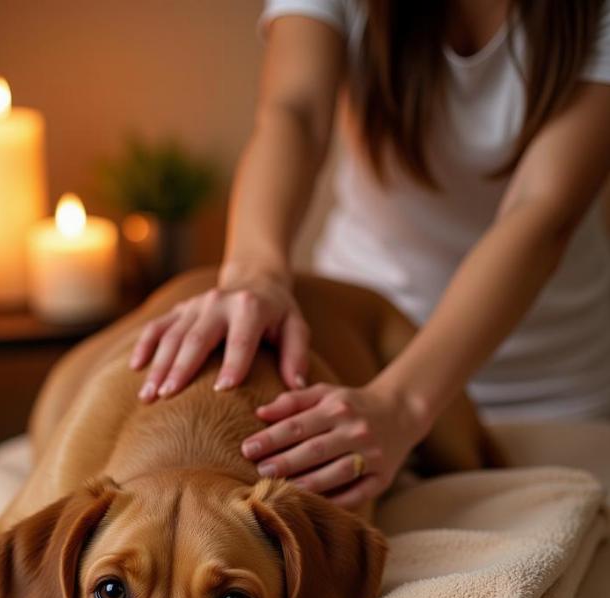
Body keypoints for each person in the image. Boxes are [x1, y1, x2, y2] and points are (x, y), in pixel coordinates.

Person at [128, 0, 610, 509]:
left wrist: (400, 405)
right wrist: (253, 274)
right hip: (357, 358)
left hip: (547, 387)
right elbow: (295, 112)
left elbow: (542, 211)